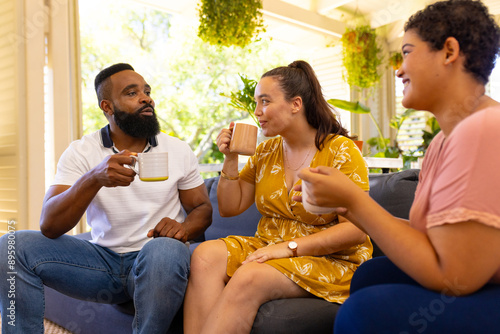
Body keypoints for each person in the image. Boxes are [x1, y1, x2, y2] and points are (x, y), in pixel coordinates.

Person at [294, 1, 500, 333]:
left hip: (473, 280)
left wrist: (357, 200)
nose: (398, 69)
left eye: (406, 52)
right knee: (371, 274)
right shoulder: (441, 142)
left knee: (363, 313)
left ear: (449, 51)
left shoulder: (486, 128)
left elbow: (457, 277)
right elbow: (433, 236)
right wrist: (345, 203)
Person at [0, 63, 212, 333]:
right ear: (107, 107)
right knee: (10, 246)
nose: (146, 97)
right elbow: (50, 225)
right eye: (132, 93)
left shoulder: (178, 150)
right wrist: (94, 178)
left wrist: (182, 228)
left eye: (146, 91)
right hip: (100, 264)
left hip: (156, 262)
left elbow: (203, 209)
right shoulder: (81, 152)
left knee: (165, 248)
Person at [183, 60, 372, 333]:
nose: (257, 112)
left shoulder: (341, 150)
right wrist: (231, 158)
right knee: (204, 255)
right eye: (257, 103)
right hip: (269, 245)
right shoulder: (266, 150)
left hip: (331, 257)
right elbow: (228, 207)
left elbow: (355, 230)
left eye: (265, 102)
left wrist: (286, 248)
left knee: (250, 276)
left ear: (296, 104)